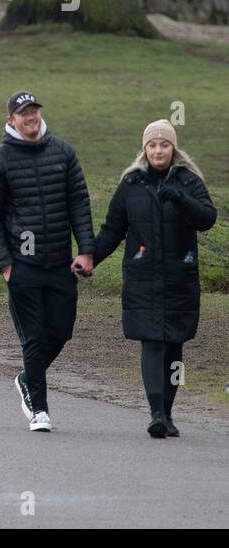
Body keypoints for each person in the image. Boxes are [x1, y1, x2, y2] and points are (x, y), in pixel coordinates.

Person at [92, 120, 217, 439]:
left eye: (164, 145)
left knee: (174, 345)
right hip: (142, 276)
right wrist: (87, 259)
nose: (158, 150)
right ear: (144, 149)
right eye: (152, 145)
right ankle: (156, 413)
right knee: (152, 342)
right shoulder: (131, 184)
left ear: (173, 148)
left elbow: (207, 219)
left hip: (179, 276)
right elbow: (112, 230)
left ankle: (169, 412)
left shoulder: (189, 181)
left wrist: (180, 198)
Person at [0, 91, 96, 433]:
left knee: (59, 331)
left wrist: (85, 250)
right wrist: (5, 264)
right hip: (22, 264)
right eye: (23, 112)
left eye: (34, 110)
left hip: (60, 262)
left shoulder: (63, 152)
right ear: (10, 120)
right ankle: (39, 411)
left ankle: (26, 378)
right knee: (33, 337)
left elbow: (79, 203)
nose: (30, 116)